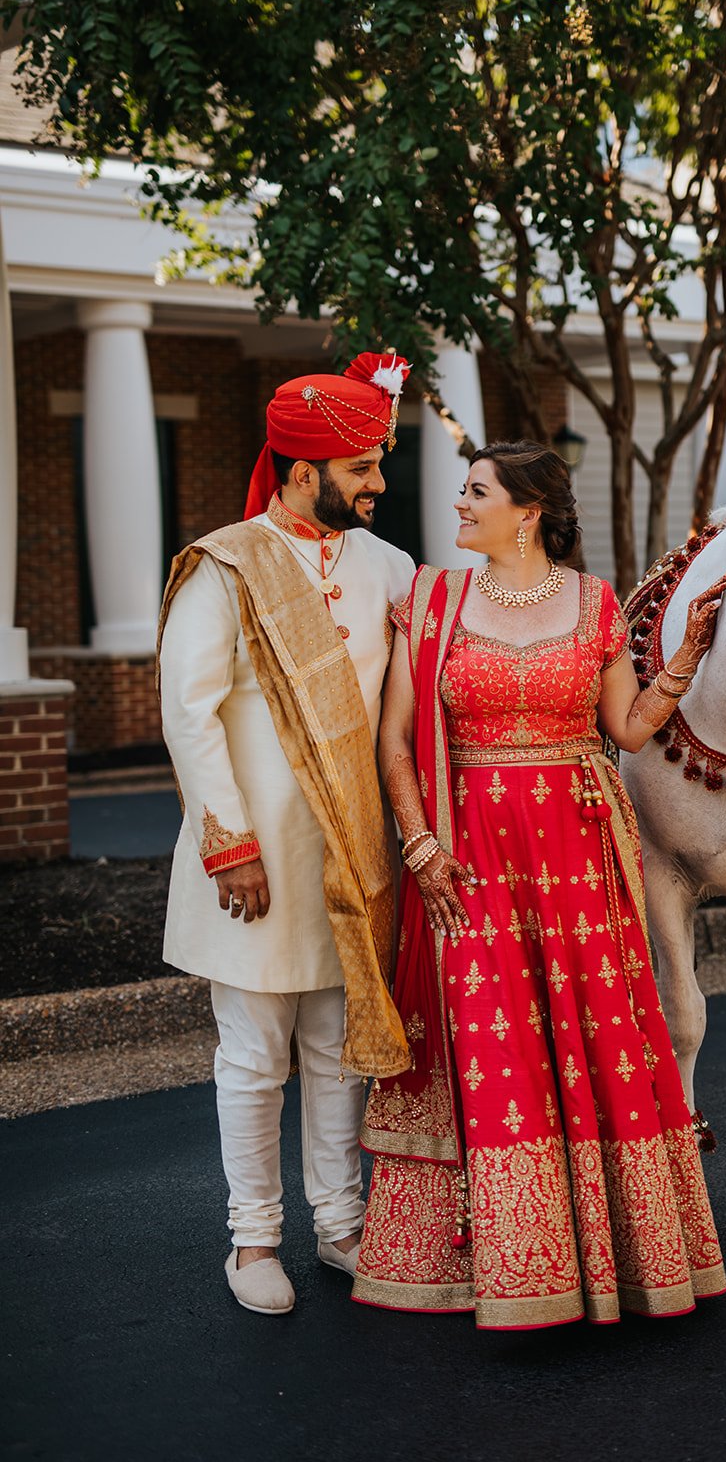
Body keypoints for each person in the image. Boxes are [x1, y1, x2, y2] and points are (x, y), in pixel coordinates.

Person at [352, 440, 726, 1330]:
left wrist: (687, 656)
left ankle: (620, 1258)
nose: (458, 504)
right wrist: (418, 844)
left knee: (591, 1041)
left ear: (526, 509)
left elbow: (628, 732)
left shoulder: (594, 603)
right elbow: (395, 739)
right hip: (472, 850)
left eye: (475, 492)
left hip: (577, 852)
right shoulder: (432, 600)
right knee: (496, 1045)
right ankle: (520, 1267)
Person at [157, 352, 416, 1316]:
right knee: (255, 1055)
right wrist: (230, 843)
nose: (380, 483)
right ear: (304, 469)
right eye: (362, 468)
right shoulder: (228, 563)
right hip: (254, 861)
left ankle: (340, 1225)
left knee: (337, 1049)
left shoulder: (390, 568)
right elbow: (187, 711)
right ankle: (253, 1238)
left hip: (353, 854)